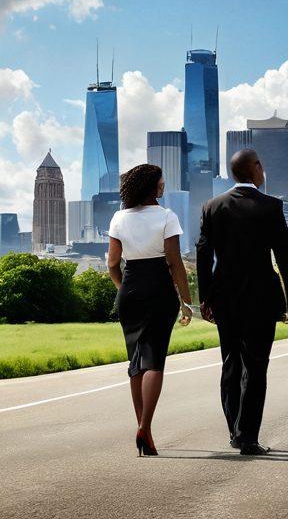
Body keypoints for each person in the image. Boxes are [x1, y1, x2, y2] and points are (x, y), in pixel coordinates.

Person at [196, 148, 288, 456]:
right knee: (256, 367)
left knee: (230, 364)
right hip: (261, 296)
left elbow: (203, 255)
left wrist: (205, 297)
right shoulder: (271, 206)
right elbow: (284, 255)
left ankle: (234, 431)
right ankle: (248, 437)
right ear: (255, 168)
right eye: (260, 165)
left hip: (224, 296)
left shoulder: (212, 206)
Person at [107, 163, 193, 457]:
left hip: (130, 289)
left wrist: (124, 289)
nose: (163, 185)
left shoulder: (119, 218)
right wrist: (186, 301)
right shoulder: (167, 216)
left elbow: (112, 264)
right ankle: (145, 426)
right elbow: (174, 261)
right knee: (154, 361)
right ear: (153, 187)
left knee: (135, 362)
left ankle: (144, 430)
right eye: (161, 181)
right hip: (159, 288)